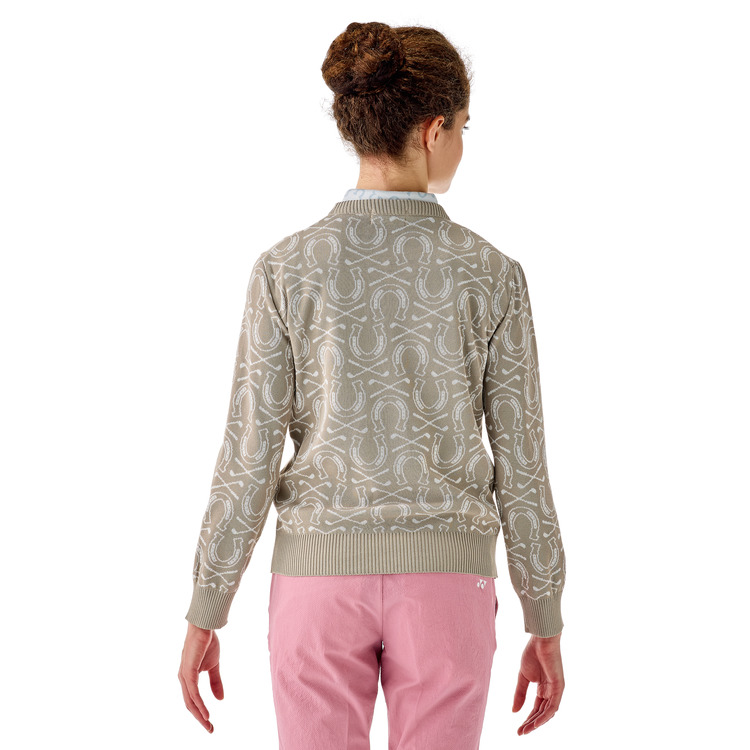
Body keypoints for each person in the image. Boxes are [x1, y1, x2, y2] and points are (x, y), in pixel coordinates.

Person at [178, 20, 566, 747]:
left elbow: (248, 454)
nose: (462, 144)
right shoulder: (493, 275)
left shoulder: (285, 269)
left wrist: (208, 607)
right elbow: (523, 465)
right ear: (434, 128)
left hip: (315, 585)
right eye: (464, 128)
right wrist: (543, 616)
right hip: (449, 587)